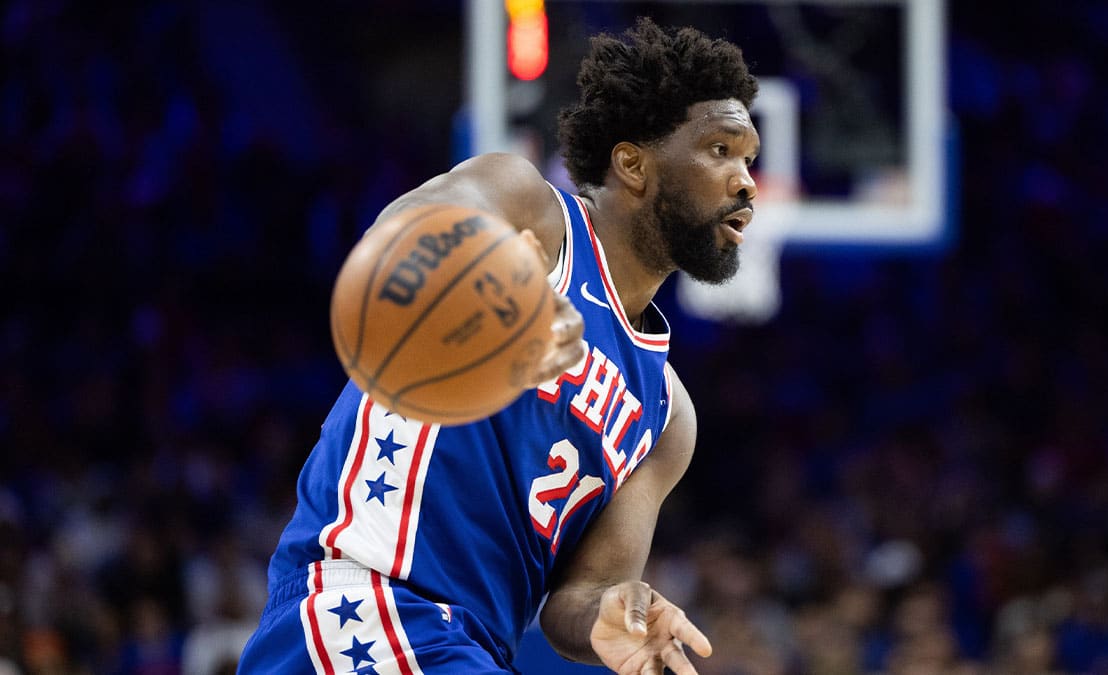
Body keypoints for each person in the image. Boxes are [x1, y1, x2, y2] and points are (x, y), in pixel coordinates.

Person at [239, 17, 759, 675]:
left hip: (467, 647)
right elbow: (393, 241)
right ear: (633, 164)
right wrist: (499, 290)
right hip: (368, 607)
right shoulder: (529, 210)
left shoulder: (667, 416)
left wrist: (609, 608)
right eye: (720, 150)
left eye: (749, 159)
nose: (746, 181)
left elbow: (575, 600)